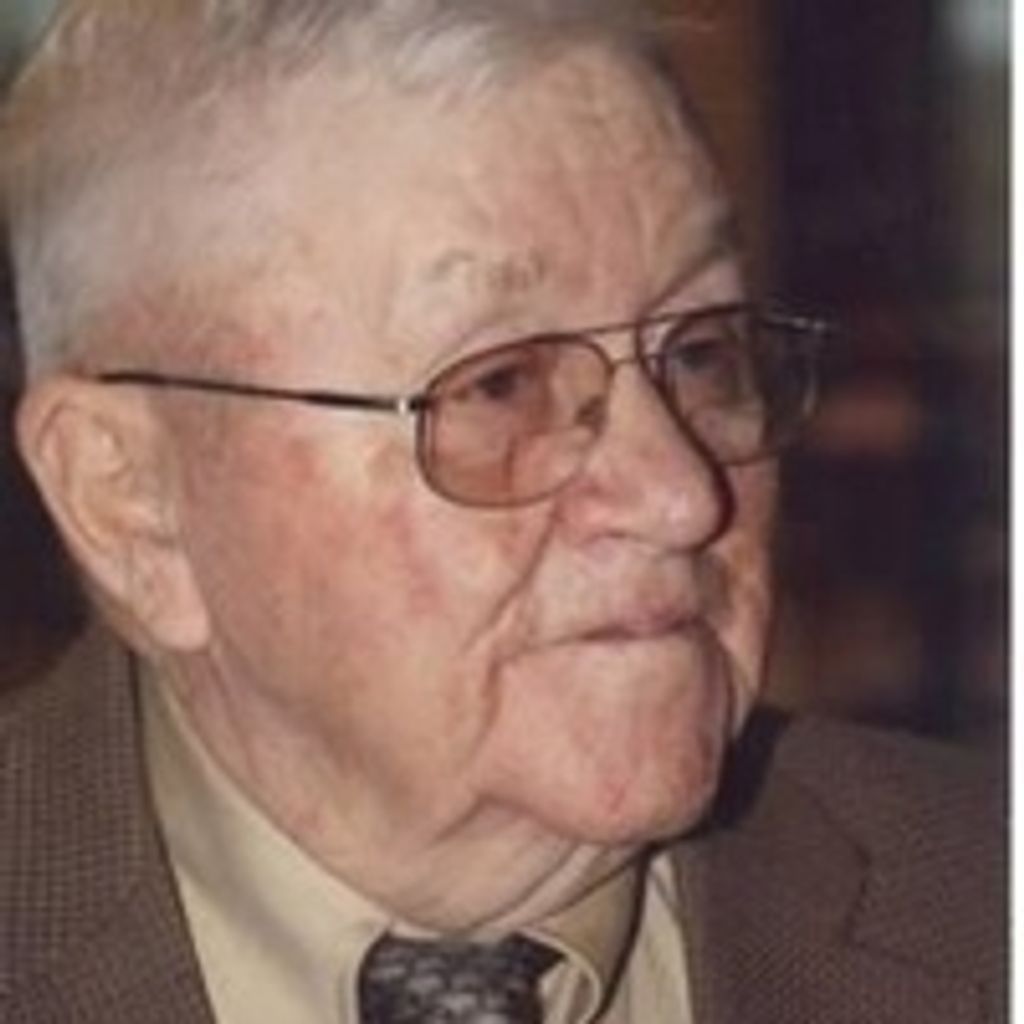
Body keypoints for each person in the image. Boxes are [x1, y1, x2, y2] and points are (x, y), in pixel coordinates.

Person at [0, 2, 1004, 1022]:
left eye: (700, 352)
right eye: (500, 385)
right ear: (130, 501)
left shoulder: (979, 900)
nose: (679, 495)